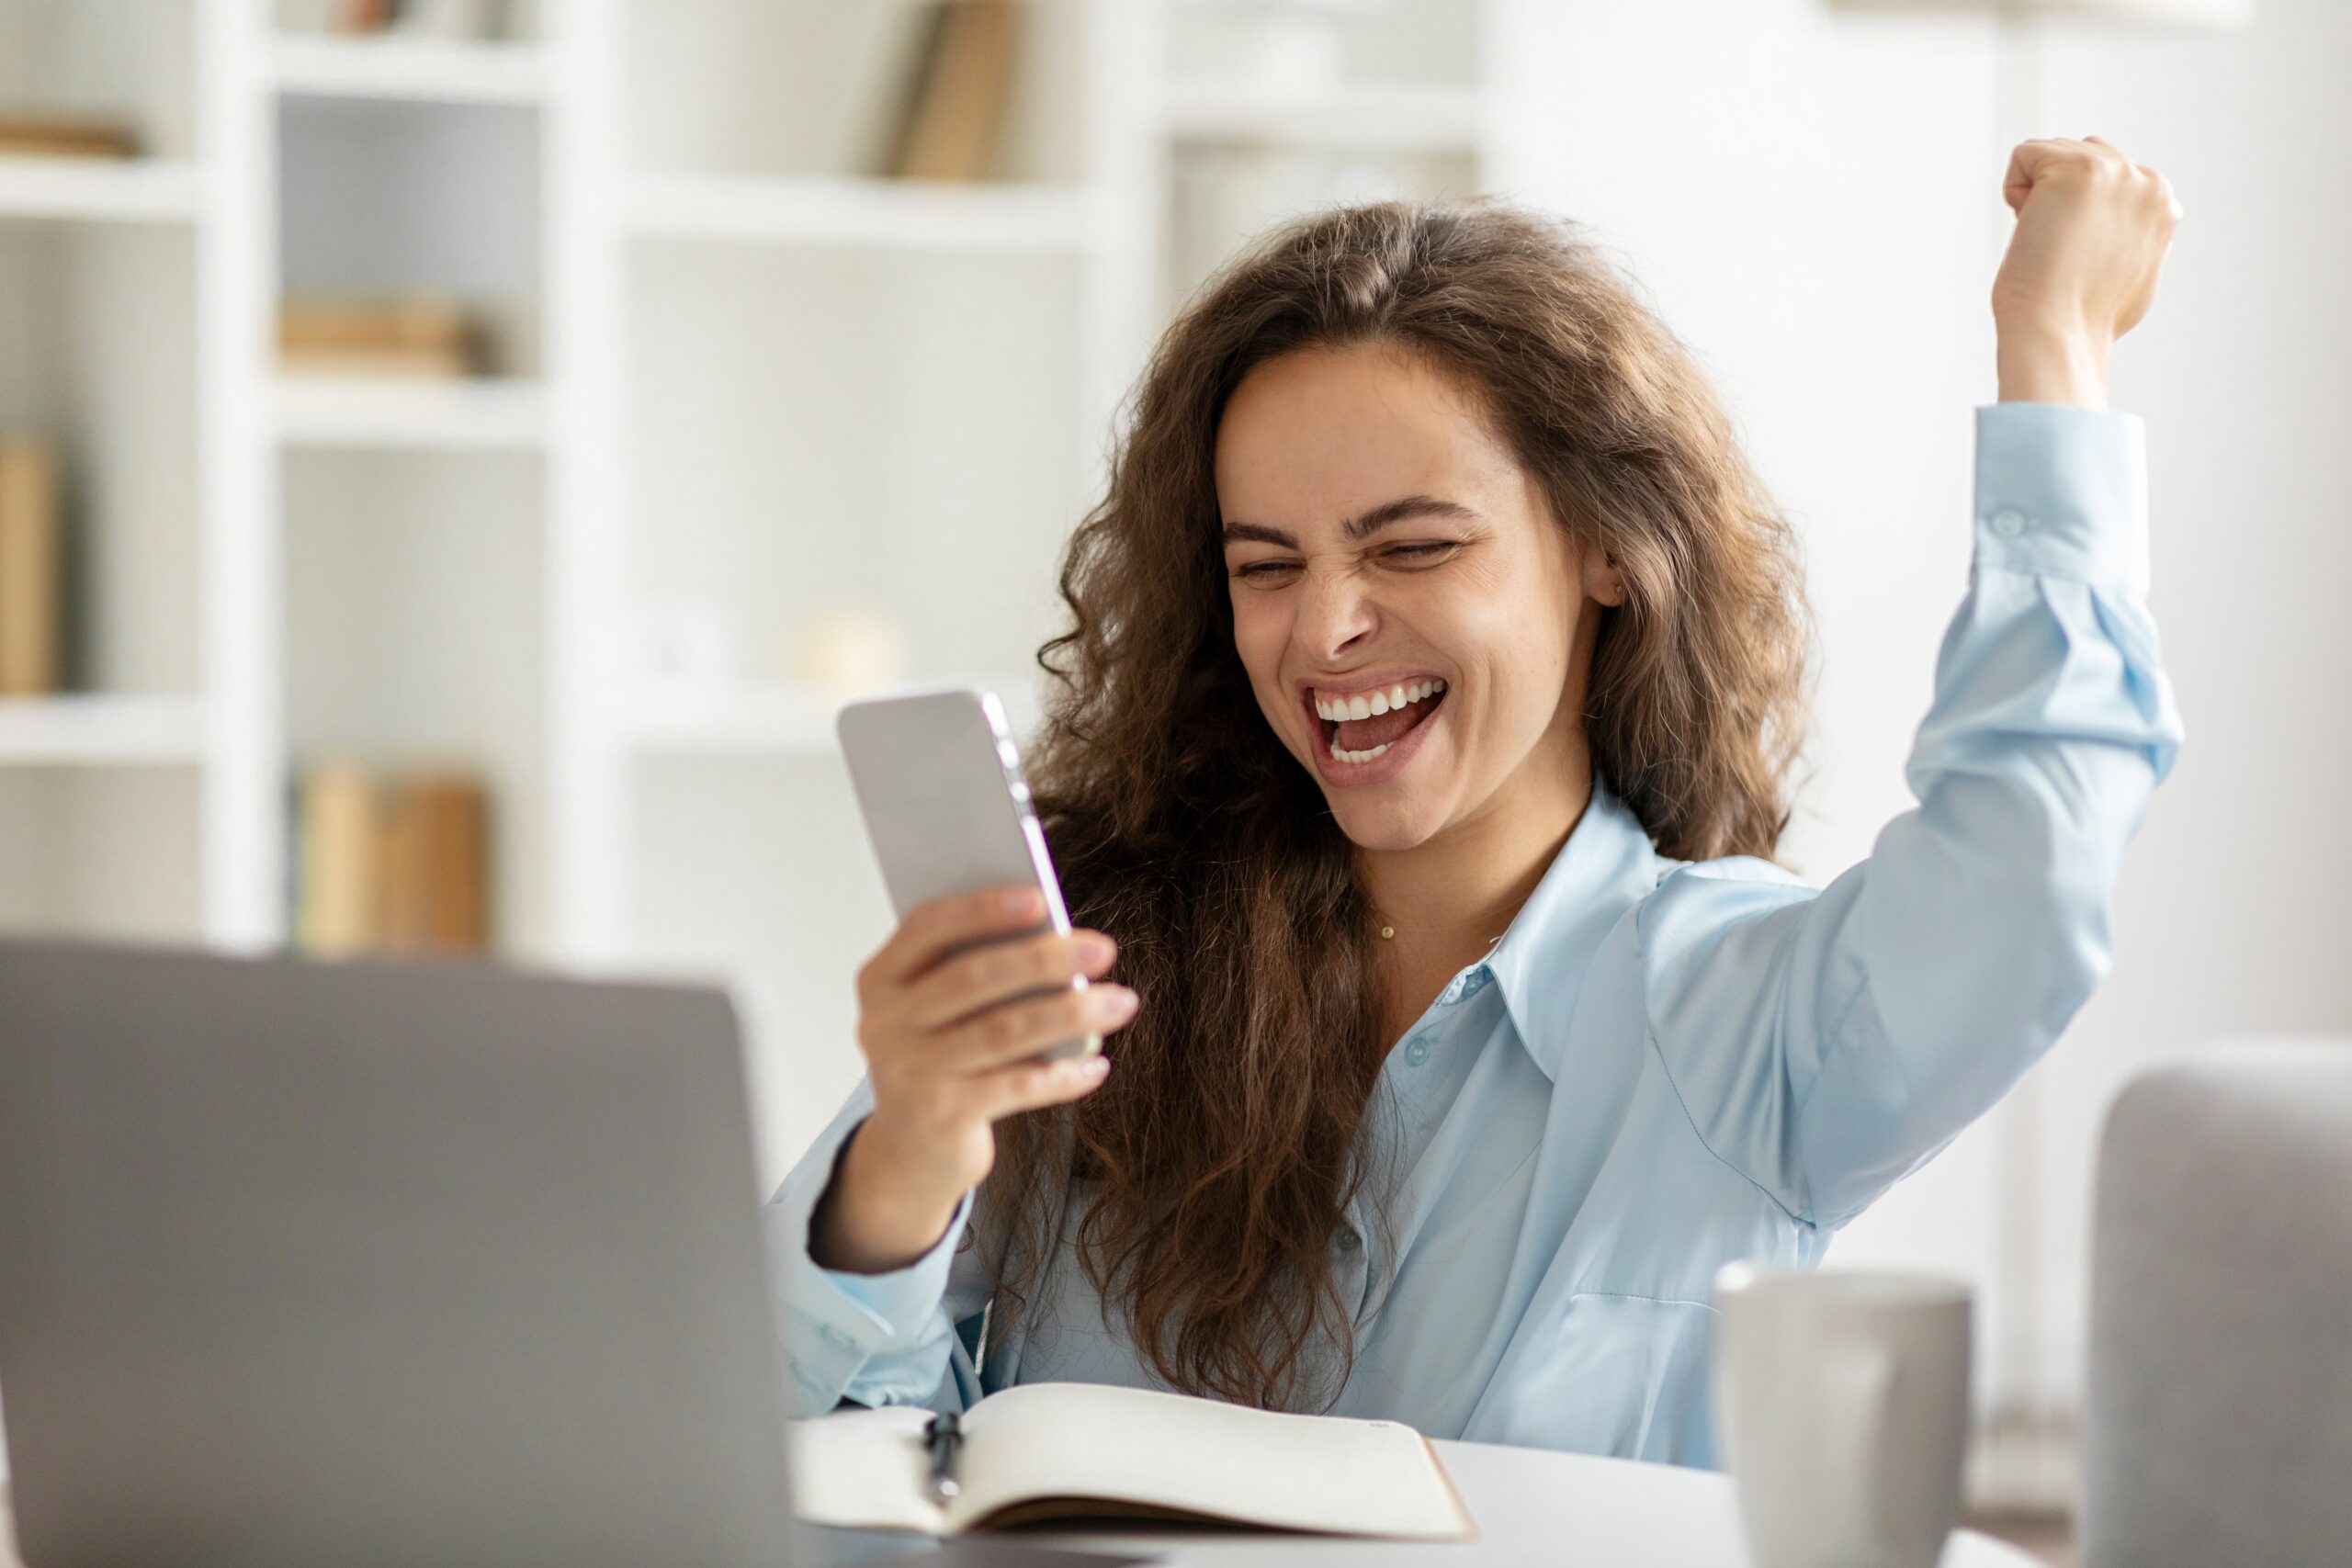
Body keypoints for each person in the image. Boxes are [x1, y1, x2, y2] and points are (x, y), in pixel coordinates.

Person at [764, 137, 2186, 1466]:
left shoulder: (1738, 1018)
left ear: (1610, 555)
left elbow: (2028, 870)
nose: (1325, 632)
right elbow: (833, 1464)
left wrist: (2053, 347)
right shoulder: (1098, 976)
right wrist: (907, 1160)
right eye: (1266, 566)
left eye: (1416, 546)